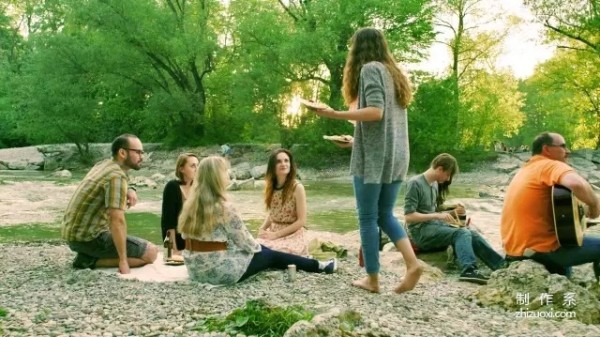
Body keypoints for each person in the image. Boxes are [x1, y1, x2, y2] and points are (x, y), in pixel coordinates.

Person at [304, 27, 422, 293]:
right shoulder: (395, 73)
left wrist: (331, 113)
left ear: (358, 48)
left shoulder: (370, 69)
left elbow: (376, 113)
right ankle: (412, 264)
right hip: (396, 156)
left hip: (375, 161)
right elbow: (385, 125)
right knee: (384, 214)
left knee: (368, 216)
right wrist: (354, 140)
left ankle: (372, 278)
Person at [177, 156, 337, 285]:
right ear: (217, 177)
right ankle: (320, 266)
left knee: (266, 250)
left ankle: (313, 263)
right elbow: (247, 243)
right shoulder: (224, 207)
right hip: (218, 271)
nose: (228, 175)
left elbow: (185, 237)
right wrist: (265, 248)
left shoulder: (191, 204)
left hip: (195, 269)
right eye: (225, 171)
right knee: (271, 255)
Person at [501, 132, 600, 280]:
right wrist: (594, 205)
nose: (568, 151)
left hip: (515, 251)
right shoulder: (549, 165)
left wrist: (581, 214)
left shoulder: (526, 170)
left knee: (568, 261)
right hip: (543, 251)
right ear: (546, 149)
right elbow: (576, 183)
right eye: (563, 146)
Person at [62, 134, 158, 274]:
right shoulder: (116, 177)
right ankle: (88, 261)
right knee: (151, 253)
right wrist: (123, 261)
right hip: (89, 239)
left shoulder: (104, 164)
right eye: (138, 152)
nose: (142, 156)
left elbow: (125, 176)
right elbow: (117, 220)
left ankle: (89, 255)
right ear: (122, 152)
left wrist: (131, 189)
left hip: (73, 236)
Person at [404, 153, 506, 285]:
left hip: (433, 226)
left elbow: (433, 209)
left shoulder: (434, 184)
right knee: (461, 233)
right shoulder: (415, 183)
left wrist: (452, 211)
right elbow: (409, 216)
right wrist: (437, 215)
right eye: (447, 175)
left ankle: (500, 265)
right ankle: (468, 270)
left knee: (471, 232)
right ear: (439, 169)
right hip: (419, 232)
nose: (447, 179)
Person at [257, 149, 308, 256]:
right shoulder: (270, 187)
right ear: (272, 166)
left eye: (286, 160)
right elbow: (272, 214)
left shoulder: (297, 187)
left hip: (292, 234)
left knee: (274, 252)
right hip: (273, 231)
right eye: (279, 161)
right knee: (255, 248)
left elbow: (302, 221)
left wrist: (276, 235)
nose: (283, 164)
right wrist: (262, 228)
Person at [161, 152, 199, 255]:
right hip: (178, 241)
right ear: (181, 169)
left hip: (196, 241)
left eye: (198, 165)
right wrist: (173, 249)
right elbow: (168, 222)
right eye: (192, 166)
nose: (197, 169)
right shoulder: (172, 187)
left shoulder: (199, 188)